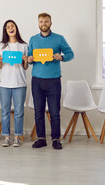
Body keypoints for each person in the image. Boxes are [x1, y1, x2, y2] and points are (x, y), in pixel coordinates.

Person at [28, 12, 74, 150]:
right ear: (38, 23)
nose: (43, 24)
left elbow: (71, 54)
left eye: (46, 21)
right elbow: (30, 57)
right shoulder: (33, 39)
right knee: (38, 111)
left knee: (54, 112)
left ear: (51, 23)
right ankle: (41, 138)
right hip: (36, 80)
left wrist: (62, 57)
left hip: (53, 81)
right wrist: (29, 60)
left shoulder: (59, 39)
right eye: (41, 21)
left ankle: (56, 139)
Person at [0, 20, 28, 147]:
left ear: (16, 28)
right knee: (5, 111)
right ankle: (6, 137)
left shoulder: (24, 45)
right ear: (5, 30)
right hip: (4, 83)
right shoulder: (1, 46)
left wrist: (25, 60)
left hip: (20, 83)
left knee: (19, 111)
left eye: (12, 26)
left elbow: (25, 67)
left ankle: (17, 136)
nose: (10, 28)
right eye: (7, 27)